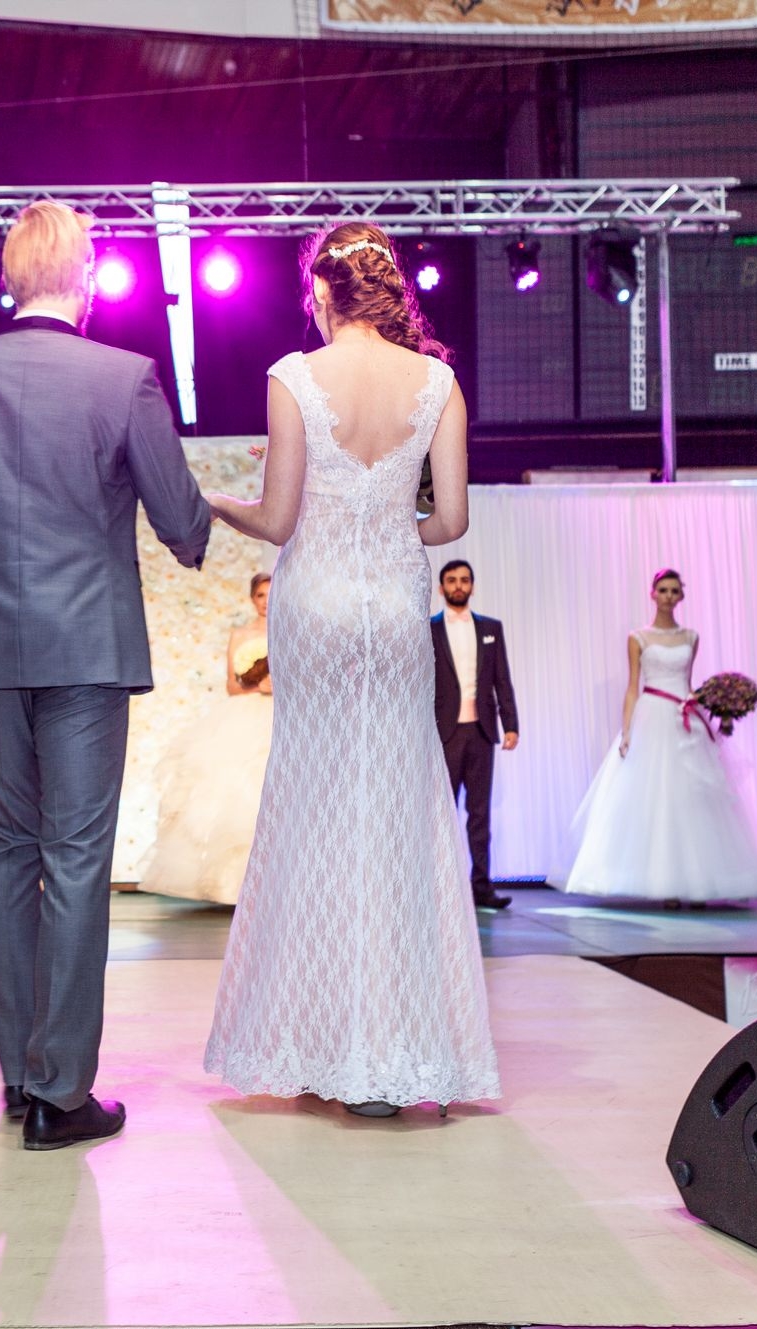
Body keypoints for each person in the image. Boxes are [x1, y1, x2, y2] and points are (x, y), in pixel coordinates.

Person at [0, 201, 210, 1152]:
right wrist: (201, 525)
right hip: (88, 648)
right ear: (87, 279)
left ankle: (23, 1076)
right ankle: (62, 1092)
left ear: (9, 278)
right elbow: (179, 521)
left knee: (6, 854)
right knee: (77, 858)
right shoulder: (124, 377)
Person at [202, 220, 500, 1119]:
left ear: (325, 292)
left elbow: (278, 519)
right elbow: (452, 522)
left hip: (318, 606)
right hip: (395, 611)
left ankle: (318, 1043)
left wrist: (211, 499)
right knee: (399, 807)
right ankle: (397, 1046)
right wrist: (386, 527)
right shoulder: (437, 382)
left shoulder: (294, 376)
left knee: (316, 806)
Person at [564, 569, 757, 905]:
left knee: (693, 800)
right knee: (658, 797)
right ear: (653, 593)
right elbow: (633, 687)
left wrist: (718, 706)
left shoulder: (691, 637)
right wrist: (627, 731)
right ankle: (667, 884)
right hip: (652, 716)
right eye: (663, 590)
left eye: (674, 590)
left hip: (684, 717)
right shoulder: (638, 637)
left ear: (681, 596)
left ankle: (698, 882)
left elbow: (688, 683)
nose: (668, 596)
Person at [140, 573, 275, 905]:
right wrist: (257, 684)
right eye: (260, 595)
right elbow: (231, 684)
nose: (266, 601)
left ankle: (270, 882)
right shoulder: (240, 634)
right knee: (230, 785)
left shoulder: (288, 629)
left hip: (278, 713)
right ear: (252, 599)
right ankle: (228, 884)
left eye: (271, 594)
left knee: (266, 788)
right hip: (243, 714)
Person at [431, 560, 519, 913]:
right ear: (441, 588)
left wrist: (511, 725)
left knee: (479, 814)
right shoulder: (429, 629)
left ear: (473, 586)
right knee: (442, 814)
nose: (459, 585)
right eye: (452, 580)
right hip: (444, 734)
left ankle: (481, 886)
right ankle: (440, 888)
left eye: (465, 580)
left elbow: (502, 679)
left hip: (481, 732)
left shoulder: (491, 628)